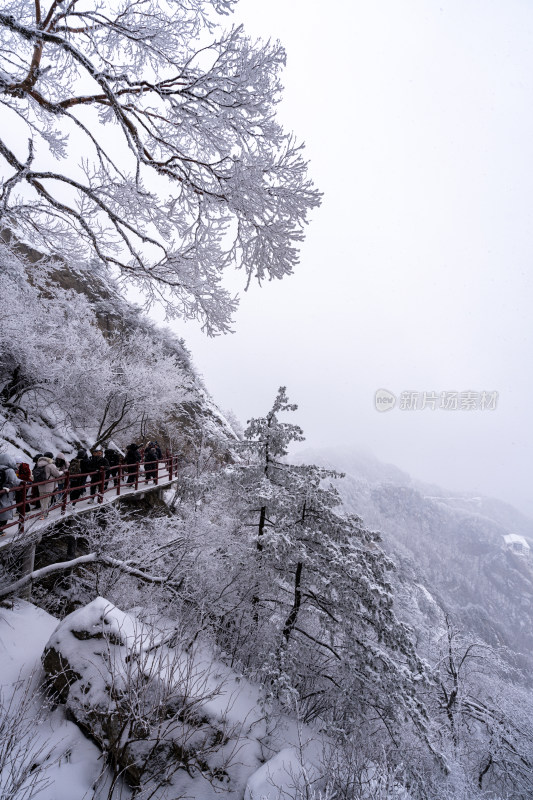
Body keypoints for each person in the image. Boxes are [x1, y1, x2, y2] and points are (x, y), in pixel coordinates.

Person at [34, 452, 63, 519]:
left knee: (42, 500)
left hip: (40, 485)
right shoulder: (51, 465)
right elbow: (57, 474)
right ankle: (44, 515)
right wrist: (62, 472)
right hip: (49, 486)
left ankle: (43, 513)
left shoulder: (38, 464)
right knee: (47, 500)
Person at [0, 454, 22, 532]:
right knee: (5, 510)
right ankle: (1, 529)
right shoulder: (9, 470)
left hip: (1, 490)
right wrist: (23, 483)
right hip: (6, 494)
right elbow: (15, 482)